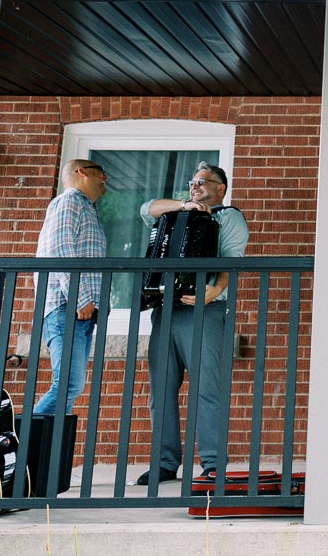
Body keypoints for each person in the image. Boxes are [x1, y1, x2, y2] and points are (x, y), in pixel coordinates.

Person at [136, 161, 249, 486]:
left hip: (205, 309)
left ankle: (213, 463)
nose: (195, 186)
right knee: (161, 388)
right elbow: (147, 209)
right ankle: (164, 463)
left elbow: (231, 258)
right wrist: (185, 205)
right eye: (192, 182)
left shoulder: (228, 217)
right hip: (166, 309)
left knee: (207, 388)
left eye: (202, 181)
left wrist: (215, 290)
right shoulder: (174, 214)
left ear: (220, 188)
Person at [33, 159, 109, 415]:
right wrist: (80, 298)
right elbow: (60, 250)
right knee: (67, 385)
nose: (105, 180)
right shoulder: (69, 202)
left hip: (78, 312)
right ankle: (22, 446)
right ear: (82, 172)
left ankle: (45, 451)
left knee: (70, 387)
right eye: (102, 174)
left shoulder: (86, 208)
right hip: (68, 308)